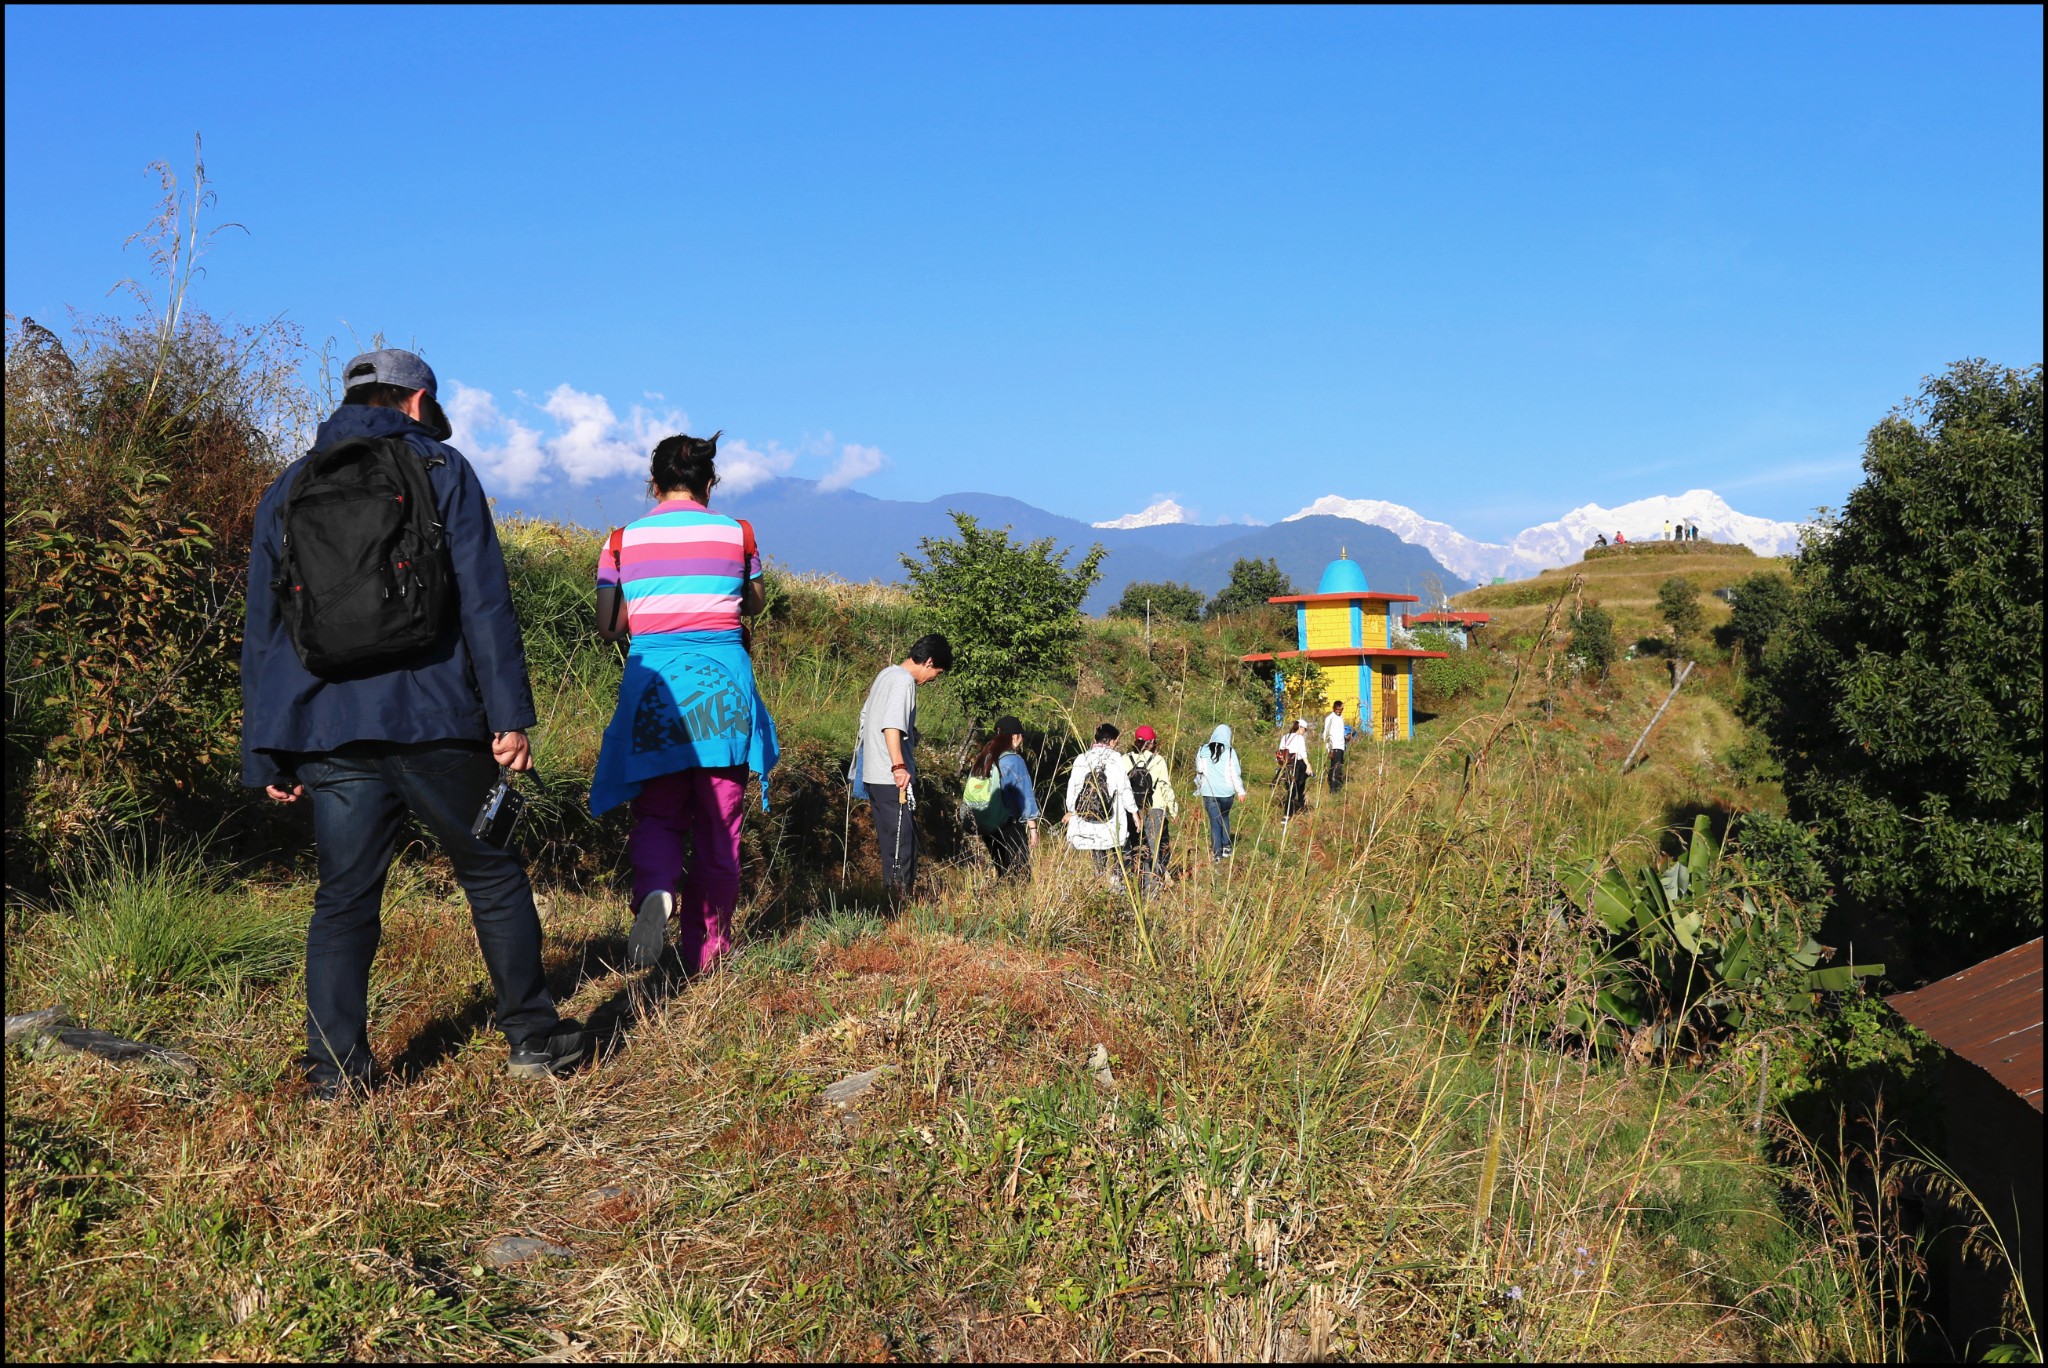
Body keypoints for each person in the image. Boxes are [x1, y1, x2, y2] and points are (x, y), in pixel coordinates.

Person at [241, 348, 583, 1100]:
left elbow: (264, 627)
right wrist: (510, 717)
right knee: (491, 874)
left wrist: (265, 750)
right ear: (419, 401)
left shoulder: (289, 487)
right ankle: (532, 1036)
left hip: (327, 730)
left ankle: (335, 1075)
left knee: (343, 898)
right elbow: (484, 601)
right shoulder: (442, 472)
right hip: (437, 720)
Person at [590, 432, 780, 975]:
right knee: (721, 830)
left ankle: (655, 889)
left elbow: (609, 626)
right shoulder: (739, 534)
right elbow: (756, 603)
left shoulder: (621, 540)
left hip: (658, 696)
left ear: (654, 483)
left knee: (658, 812)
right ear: (708, 481)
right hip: (724, 694)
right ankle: (705, 952)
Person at [851, 634, 952, 904]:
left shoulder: (886, 673)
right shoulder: (904, 681)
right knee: (903, 844)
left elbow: (866, 719)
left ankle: (890, 900)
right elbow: (891, 726)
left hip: (873, 773)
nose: (933, 679)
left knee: (891, 841)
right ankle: (899, 905)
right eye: (937, 673)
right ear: (929, 662)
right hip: (890, 777)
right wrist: (898, 766)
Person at [1064, 722, 1137, 887]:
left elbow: (1073, 788)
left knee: (1097, 848)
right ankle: (1117, 885)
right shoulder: (1115, 758)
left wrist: (1072, 811)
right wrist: (1134, 812)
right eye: (1116, 742)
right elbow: (1124, 787)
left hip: (1088, 817)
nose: (1116, 746)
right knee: (1122, 851)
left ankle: (1099, 884)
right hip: (1112, 817)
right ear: (1111, 741)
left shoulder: (1082, 758)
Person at [966, 715, 1039, 879]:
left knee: (1002, 871)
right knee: (1020, 875)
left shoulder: (984, 758)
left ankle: (997, 902)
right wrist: (1033, 829)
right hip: (1009, 825)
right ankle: (1016, 904)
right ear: (1015, 736)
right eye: (1021, 736)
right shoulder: (1014, 761)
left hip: (988, 823)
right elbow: (1026, 797)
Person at [1126, 724, 1178, 893]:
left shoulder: (1125, 759)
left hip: (1130, 810)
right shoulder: (1158, 760)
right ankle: (1151, 889)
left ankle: (1132, 883)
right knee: (1154, 849)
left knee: (1134, 847)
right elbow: (1165, 786)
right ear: (1153, 742)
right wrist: (1173, 809)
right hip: (1154, 808)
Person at [1193, 724, 1248, 861]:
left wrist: (1199, 787)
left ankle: (1217, 854)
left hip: (1209, 791)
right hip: (1226, 792)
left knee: (1214, 821)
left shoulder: (1202, 749)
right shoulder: (1230, 752)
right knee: (1224, 817)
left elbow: (1200, 770)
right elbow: (1235, 773)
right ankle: (1227, 847)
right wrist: (1240, 791)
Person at [1278, 718, 1312, 824]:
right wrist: (1308, 765)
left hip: (1286, 766)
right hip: (1297, 765)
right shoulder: (1299, 738)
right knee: (1299, 787)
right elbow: (1302, 752)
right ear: (1300, 727)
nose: (1304, 732)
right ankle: (1294, 810)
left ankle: (1287, 813)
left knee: (1290, 789)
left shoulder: (1285, 737)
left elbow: (1280, 751)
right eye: (1304, 729)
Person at [1321, 700, 1354, 792]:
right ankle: (1333, 788)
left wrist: (1346, 737)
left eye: (1341, 709)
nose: (1339, 711)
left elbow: (1339, 732)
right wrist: (1329, 748)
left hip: (1341, 746)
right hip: (1334, 746)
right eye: (1338, 709)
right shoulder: (1330, 718)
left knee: (1338, 767)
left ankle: (1337, 786)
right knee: (1335, 767)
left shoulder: (1341, 718)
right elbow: (1326, 734)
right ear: (1334, 708)